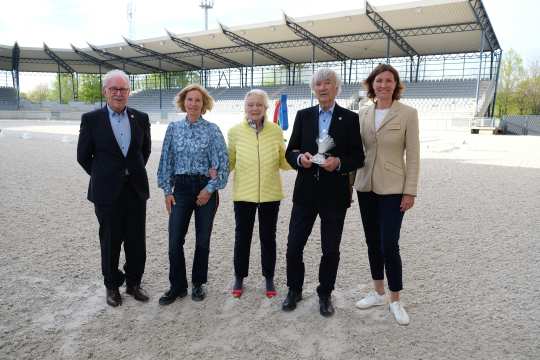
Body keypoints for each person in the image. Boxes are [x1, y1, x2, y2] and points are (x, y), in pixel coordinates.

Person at [282, 68, 364, 317]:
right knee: (294, 246)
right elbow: (290, 151)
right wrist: (300, 159)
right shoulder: (303, 115)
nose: (323, 87)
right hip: (305, 193)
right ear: (313, 89)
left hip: (334, 195)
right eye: (318, 84)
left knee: (330, 249)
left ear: (336, 88)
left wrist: (338, 163)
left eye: (328, 83)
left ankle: (325, 293)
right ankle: (294, 289)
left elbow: (358, 157)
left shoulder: (350, 118)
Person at [77, 69, 151, 307]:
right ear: (105, 91)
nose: (119, 93)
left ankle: (133, 283)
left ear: (129, 92)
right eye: (114, 89)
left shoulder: (140, 118)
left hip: (135, 190)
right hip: (106, 193)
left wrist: (130, 173)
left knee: (136, 240)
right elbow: (83, 156)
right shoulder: (91, 119)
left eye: (123, 89)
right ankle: (112, 286)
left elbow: (144, 152)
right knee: (110, 240)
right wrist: (103, 176)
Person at [353, 64, 420, 325]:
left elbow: (413, 156)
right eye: (379, 81)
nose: (384, 85)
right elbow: (358, 153)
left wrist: (410, 190)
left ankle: (395, 299)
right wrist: (350, 186)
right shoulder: (362, 114)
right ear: (372, 85)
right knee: (372, 242)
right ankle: (378, 291)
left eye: (389, 81)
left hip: (394, 188)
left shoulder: (408, 114)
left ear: (396, 85)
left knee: (389, 244)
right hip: (366, 186)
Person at [157, 84, 228, 305]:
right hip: (181, 188)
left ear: (204, 104)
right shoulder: (173, 128)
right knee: (174, 240)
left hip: (205, 187)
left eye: (198, 100)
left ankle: (198, 283)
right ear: (183, 102)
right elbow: (166, 161)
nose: (193, 104)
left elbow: (223, 164)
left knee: (202, 240)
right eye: (190, 99)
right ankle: (177, 286)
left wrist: (209, 189)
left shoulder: (213, 130)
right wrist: (167, 191)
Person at [227, 89, 292, 299]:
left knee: (268, 238)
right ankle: (239, 276)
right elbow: (229, 162)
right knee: (242, 237)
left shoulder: (275, 131)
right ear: (245, 108)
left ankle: (269, 277)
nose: (254, 108)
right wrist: (212, 170)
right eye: (250, 105)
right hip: (243, 194)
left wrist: (303, 160)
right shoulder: (235, 131)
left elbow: (283, 161)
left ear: (265, 107)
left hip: (270, 194)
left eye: (258, 105)